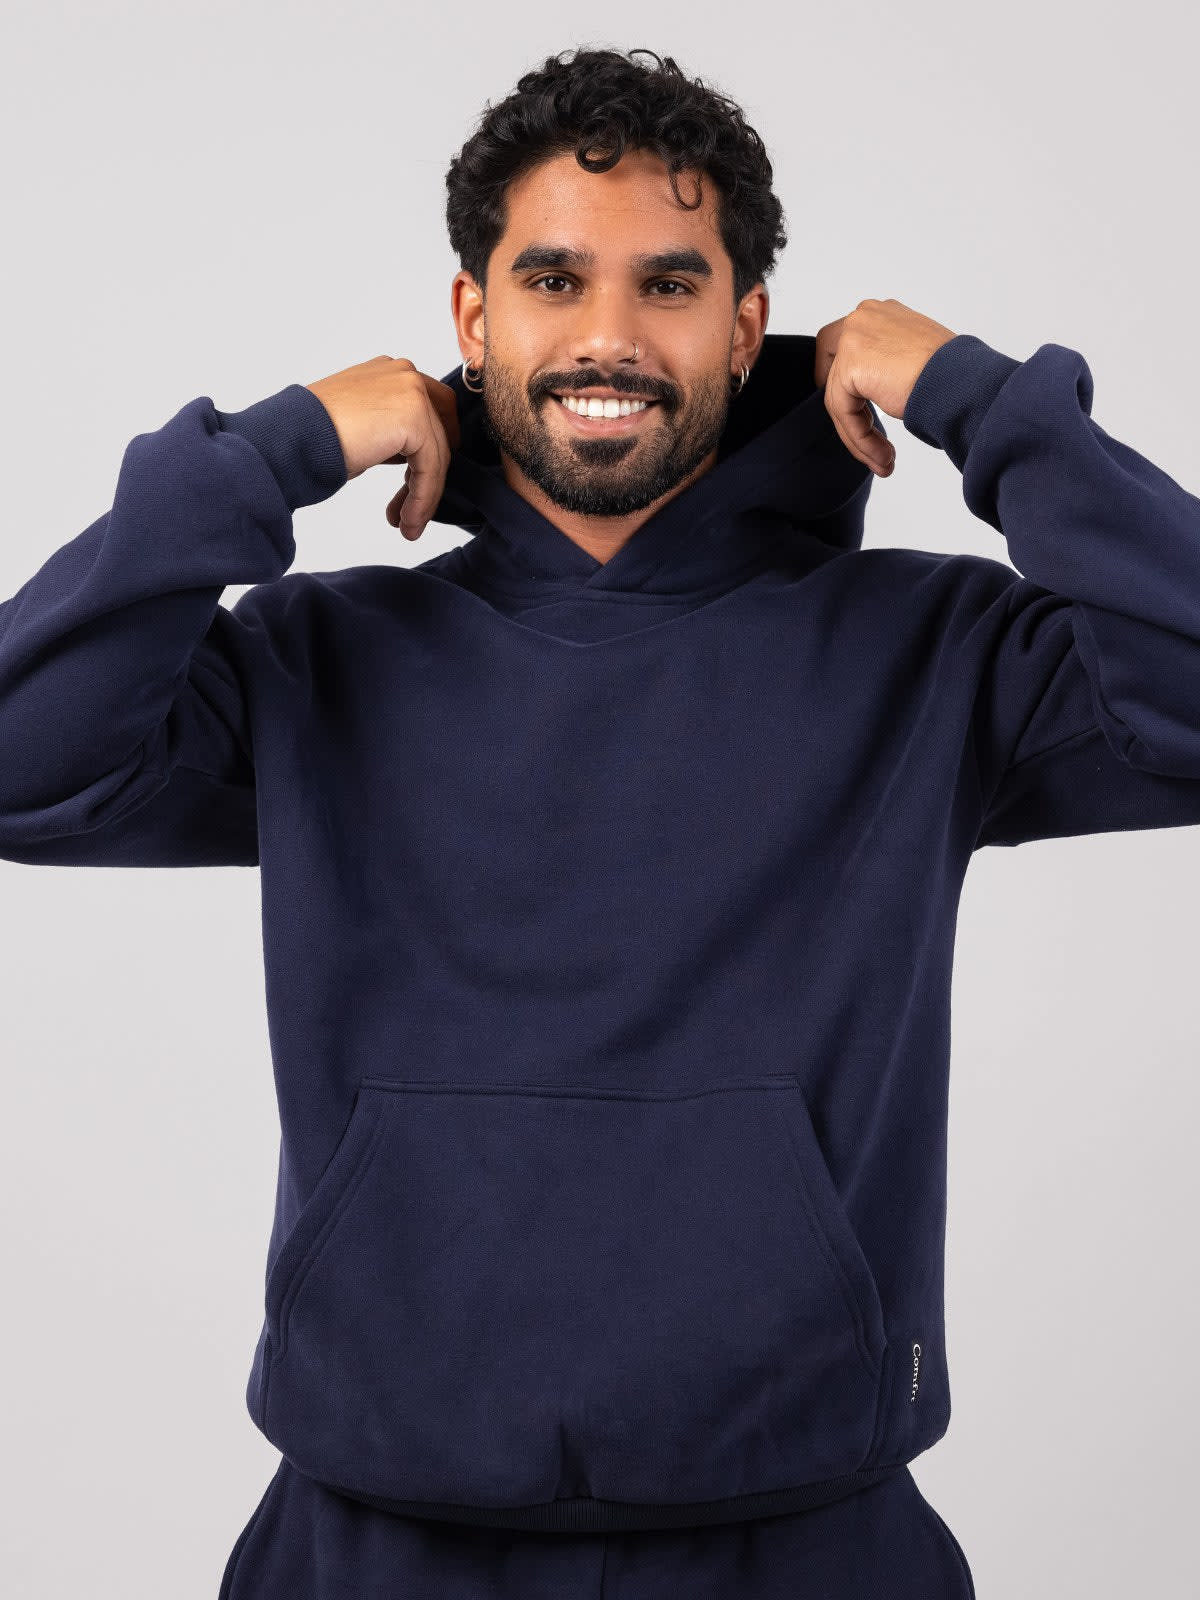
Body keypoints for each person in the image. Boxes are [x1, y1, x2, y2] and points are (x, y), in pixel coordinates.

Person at [3, 41, 1199, 1600]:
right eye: (554, 280)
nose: (609, 337)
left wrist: (985, 403)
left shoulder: (935, 653)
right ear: (472, 318)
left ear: (747, 328)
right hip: (367, 1546)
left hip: (811, 1542)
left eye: (670, 285)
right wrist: (274, 449)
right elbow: (23, 761)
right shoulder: (317, 659)